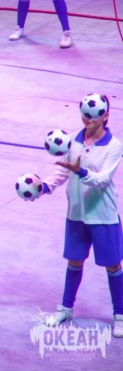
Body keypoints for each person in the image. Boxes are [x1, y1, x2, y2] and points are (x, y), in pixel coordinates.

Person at [34, 94, 123, 338]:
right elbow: (62, 172)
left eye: (93, 115)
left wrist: (81, 171)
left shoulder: (114, 146)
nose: (87, 118)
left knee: (113, 265)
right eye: (84, 114)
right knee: (74, 261)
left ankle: (120, 315)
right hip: (76, 213)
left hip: (103, 215)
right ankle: (66, 309)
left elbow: (102, 180)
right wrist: (44, 187)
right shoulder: (73, 139)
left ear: (106, 116)